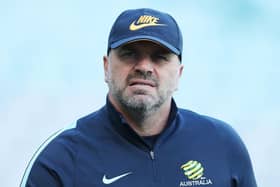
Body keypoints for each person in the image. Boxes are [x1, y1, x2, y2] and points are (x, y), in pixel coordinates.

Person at [20, 8, 257, 187]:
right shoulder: (61, 159)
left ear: (179, 74)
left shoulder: (222, 145)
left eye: (160, 56)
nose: (144, 66)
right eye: (130, 53)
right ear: (106, 67)